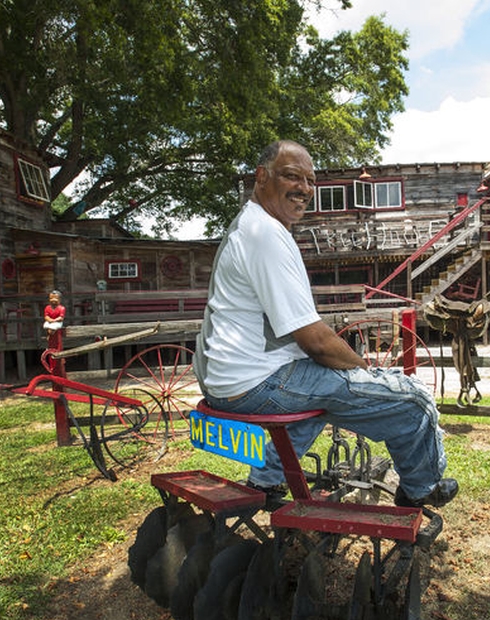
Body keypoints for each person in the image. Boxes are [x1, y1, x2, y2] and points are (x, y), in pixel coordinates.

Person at [193, 140, 457, 509]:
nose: (304, 189)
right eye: (291, 176)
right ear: (261, 177)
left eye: (310, 180)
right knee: (412, 399)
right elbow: (315, 340)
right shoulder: (266, 235)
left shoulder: (248, 226)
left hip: (227, 380)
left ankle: (267, 480)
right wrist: (367, 373)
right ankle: (421, 487)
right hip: (256, 383)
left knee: (319, 387)